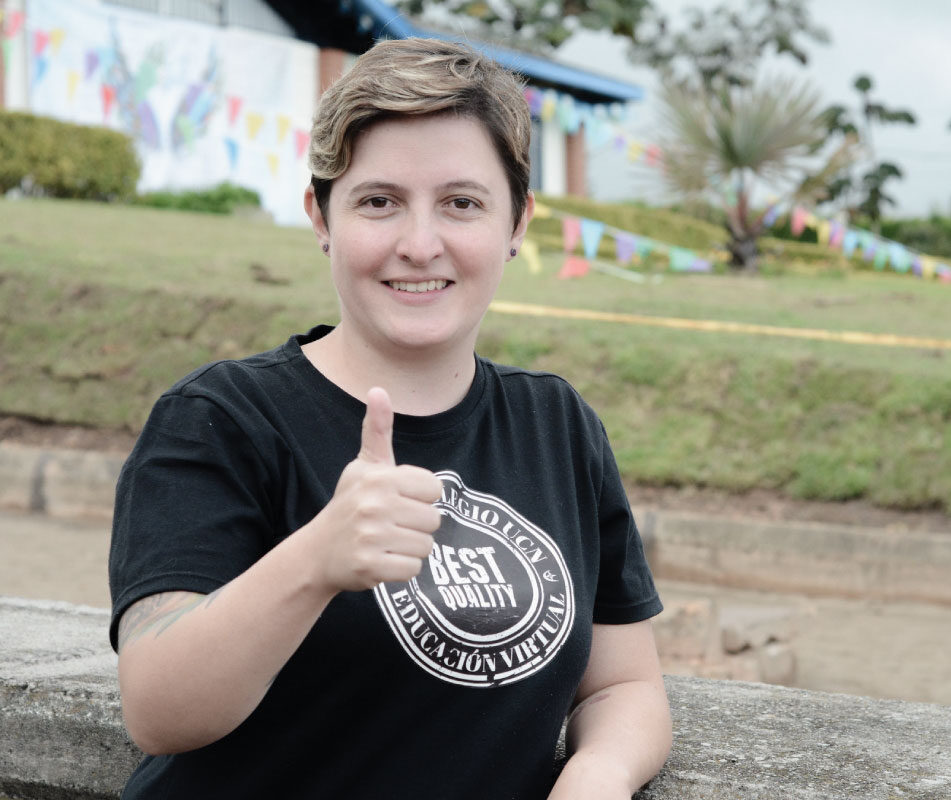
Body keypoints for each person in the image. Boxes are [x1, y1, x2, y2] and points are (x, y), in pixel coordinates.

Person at [107, 37, 671, 799]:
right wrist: (314, 563)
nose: (419, 243)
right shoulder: (219, 420)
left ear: (517, 224)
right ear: (321, 216)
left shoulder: (558, 424)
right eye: (379, 201)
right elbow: (157, 709)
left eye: (462, 203)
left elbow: (623, 684)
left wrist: (596, 775)